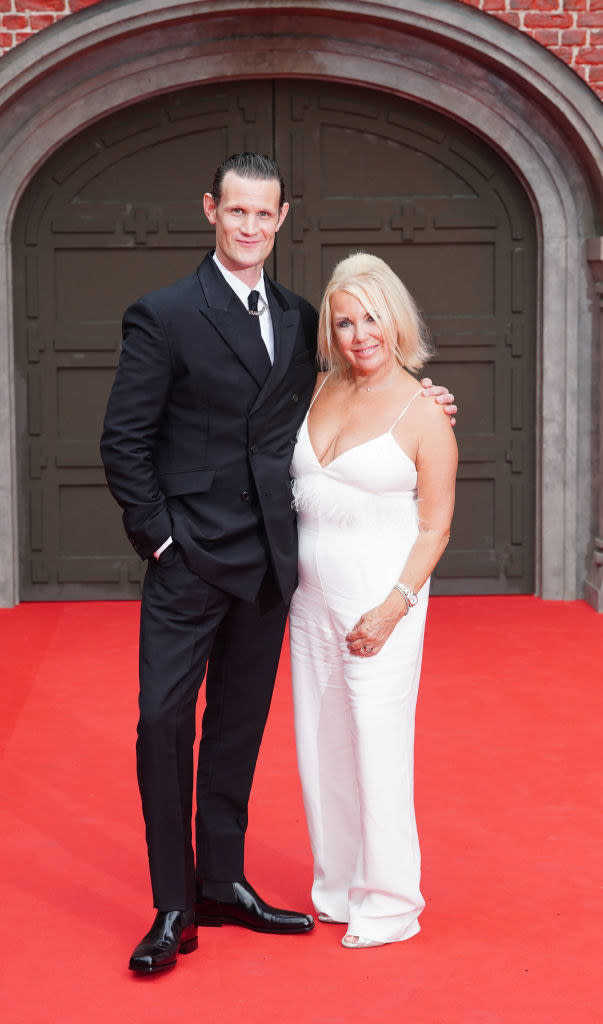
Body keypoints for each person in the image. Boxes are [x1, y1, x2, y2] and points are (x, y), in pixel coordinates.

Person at [100, 154, 457, 975]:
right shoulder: (163, 315)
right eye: (236, 213)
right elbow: (123, 443)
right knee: (163, 726)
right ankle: (173, 905)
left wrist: (427, 399)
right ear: (210, 211)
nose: (250, 227)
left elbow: (358, 392)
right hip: (188, 563)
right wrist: (162, 542)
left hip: (271, 570)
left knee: (236, 731)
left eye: (264, 215)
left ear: (282, 218)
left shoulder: (302, 320)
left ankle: (223, 880)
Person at [289, 251, 458, 949]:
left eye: (370, 318)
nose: (359, 334)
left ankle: (389, 902)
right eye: (344, 321)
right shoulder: (318, 388)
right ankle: (336, 885)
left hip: (379, 607)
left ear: (395, 319)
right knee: (319, 750)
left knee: (377, 751)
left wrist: (391, 608)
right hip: (307, 604)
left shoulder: (425, 412)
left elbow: (436, 524)